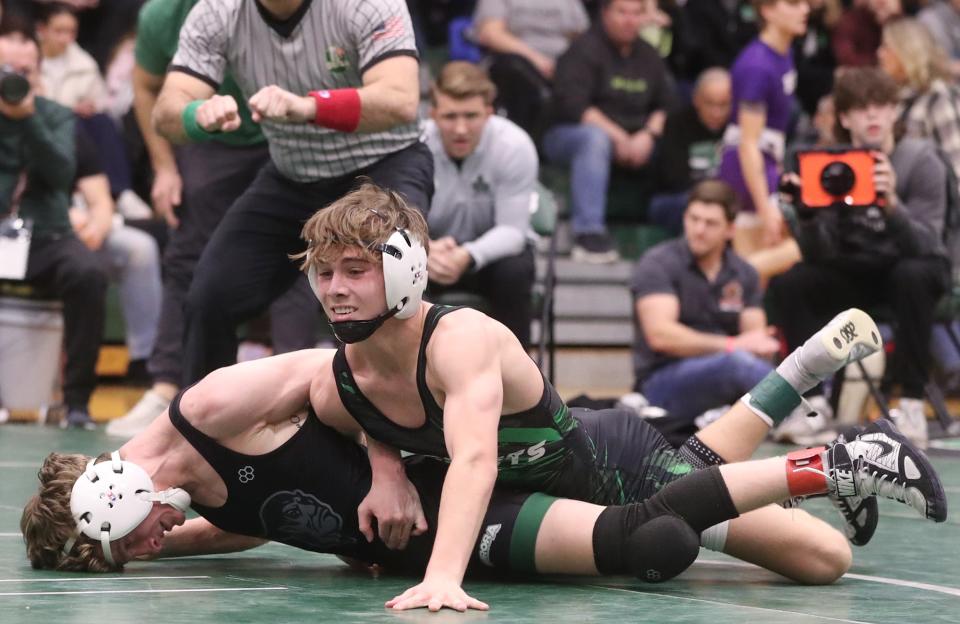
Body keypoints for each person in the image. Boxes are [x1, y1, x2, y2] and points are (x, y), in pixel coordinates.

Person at [296, 182, 946, 611]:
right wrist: (384, 465)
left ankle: (840, 463)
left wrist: (442, 577)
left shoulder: (459, 338)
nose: (335, 289)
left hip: (612, 464)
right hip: (557, 491)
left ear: (407, 269)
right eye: (324, 273)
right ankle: (805, 376)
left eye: (356, 270)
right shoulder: (346, 373)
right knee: (722, 481)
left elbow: (473, 460)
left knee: (823, 558)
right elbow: (364, 415)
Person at [19, 347, 947, 605]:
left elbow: (340, 377)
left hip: (517, 467)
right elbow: (274, 512)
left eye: (130, 544)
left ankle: (835, 456)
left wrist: (384, 471)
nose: (150, 551)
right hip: (462, 503)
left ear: (120, 497)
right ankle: (813, 410)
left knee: (652, 527)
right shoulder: (175, 506)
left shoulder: (212, 406)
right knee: (819, 562)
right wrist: (161, 555)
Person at [152, 0, 433, 387]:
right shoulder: (217, 11)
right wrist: (196, 115)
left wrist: (308, 107)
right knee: (210, 297)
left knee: (392, 286)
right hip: (292, 173)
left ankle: (406, 423)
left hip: (384, 163)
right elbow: (166, 110)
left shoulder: (366, 4)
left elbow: (401, 100)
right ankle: (205, 431)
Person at [105, 0, 321, 438]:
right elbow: (146, 87)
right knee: (188, 253)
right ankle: (168, 387)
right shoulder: (163, 14)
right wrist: (165, 167)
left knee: (300, 255)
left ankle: (297, 398)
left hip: (292, 131)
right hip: (211, 138)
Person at [770, 67, 952, 449]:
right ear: (844, 117)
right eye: (862, 108)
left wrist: (893, 207)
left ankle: (912, 402)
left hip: (915, 267)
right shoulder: (829, 167)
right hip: (856, 270)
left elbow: (929, 243)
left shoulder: (920, 160)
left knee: (912, 274)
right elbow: (821, 254)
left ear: (894, 113)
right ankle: (812, 405)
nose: (872, 116)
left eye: (881, 106)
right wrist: (805, 215)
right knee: (791, 283)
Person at [0, 20, 106, 429]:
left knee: (89, 273)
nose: (14, 79)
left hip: (47, 233)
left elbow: (62, 173)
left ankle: (76, 401)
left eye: (24, 71)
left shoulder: (57, 116)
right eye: (6, 70)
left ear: (38, 73)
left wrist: (27, 118)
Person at [632, 180, 779, 440]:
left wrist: (747, 346)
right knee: (735, 363)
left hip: (726, 379)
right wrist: (732, 345)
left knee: (745, 363)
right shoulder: (658, 263)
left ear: (730, 230)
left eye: (710, 223)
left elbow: (756, 343)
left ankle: (774, 413)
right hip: (662, 380)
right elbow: (661, 336)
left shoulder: (744, 273)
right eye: (693, 219)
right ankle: (797, 414)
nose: (698, 230)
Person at [542, 0, 676, 263]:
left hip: (634, 137)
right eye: (622, 12)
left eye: (636, 14)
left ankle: (673, 228)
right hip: (567, 135)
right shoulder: (582, 50)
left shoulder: (648, 55)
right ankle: (588, 234)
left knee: (675, 138)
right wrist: (620, 138)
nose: (629, 20)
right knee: (594, 140)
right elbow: (574, 106)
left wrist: (647, 135)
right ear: (605, 14)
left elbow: (667, 105)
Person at [423, 62, 538, 348]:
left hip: (488, 260)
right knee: (394, 268)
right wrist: (424, 250)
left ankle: (517, 380)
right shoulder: (415, 145)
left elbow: (513, 231)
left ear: (488, 112)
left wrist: (468, 255)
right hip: (429, 256)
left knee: (515, 269)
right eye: (450, 117)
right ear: (433, 114)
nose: (461, 129)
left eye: (471, 116)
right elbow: (396, 219)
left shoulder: (514, 145)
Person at [717, 0, 807, 273]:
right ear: (766, 10)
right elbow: (747, 143)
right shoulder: (756, 66)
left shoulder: (784, 52)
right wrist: (764, 206)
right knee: (798, 248)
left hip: (765, 162)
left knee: (766, 266)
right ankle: (724, 285)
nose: (804, 9)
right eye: (793, 3)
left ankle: (733, 284)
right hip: (746, 170)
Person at [70, 126, 162, 376]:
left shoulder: (66, 128)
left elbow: (100, 200)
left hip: (76, 232)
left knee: (139, 248)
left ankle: (144, 358)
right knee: (78, 266)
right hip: (24, 231)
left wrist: (95, 230)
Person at [648, 68, 731, 235]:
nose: (716, 112)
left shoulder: (739, 128)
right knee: (697, 207)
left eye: (723, 105)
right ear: (696, 100)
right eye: (710, 103)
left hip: (726, 200)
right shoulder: (676, 124)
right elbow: (674, 179)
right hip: (676, 199)